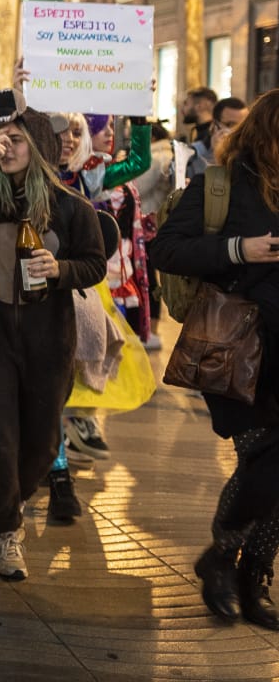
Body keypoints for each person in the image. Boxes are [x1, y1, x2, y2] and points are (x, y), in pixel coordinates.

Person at [0, 89, 106, 581]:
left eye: (14, 141)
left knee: (39, 442)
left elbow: (94, 263)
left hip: (48, 344)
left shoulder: (72, 208)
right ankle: (6, 532)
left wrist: (61, 268)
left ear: (38, 146)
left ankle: (18, 499)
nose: (5, 148)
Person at [151, 89, 279, 631]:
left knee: (271, 470)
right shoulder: (220, 185)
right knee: (267, 461)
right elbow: (166, 250)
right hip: (237, 351)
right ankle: (226, 561)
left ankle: (250, 579)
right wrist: (237, 250)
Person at [187, 97, 248, 180]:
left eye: (243, 126)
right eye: (231, 124)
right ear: (215, 125)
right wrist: (215, 155)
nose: (238, 131)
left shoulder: (251, 153)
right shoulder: (194, 153)